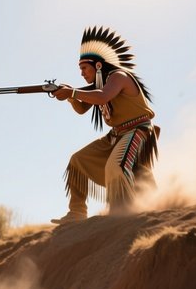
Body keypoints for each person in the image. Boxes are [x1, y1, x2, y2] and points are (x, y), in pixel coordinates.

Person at [50, 26, 159, 225]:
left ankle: (121, 212)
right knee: (77, 161)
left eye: (84, 68)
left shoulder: (118, 76)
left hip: (138, 131)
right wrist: (69, 97)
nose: (81, 73)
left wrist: (72, 92)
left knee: (116, 167)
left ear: (98, 65)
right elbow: (81, 108)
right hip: (116, 135)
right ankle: (76, 212)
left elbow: (102, 97)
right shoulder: (99, 85)